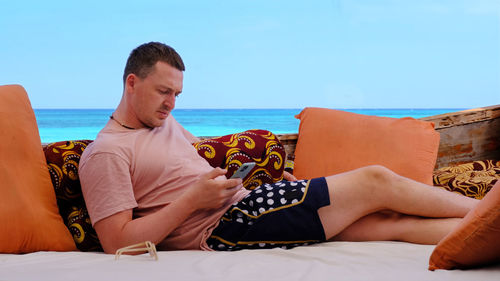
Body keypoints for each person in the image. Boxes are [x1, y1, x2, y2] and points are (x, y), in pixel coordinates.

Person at [79, 42, 478, 254]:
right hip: (223, 226)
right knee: (376, 181)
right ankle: (485, 210)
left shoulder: (163, 121)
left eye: (177, 94)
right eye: (163, 92)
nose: (171, 103)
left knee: (385, 224)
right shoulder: (107, 154)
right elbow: (118, 242)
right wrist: (192, 200)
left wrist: (260, 183)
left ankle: (484, 236)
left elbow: (192, 161)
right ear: (131, 83)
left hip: (248, 203)